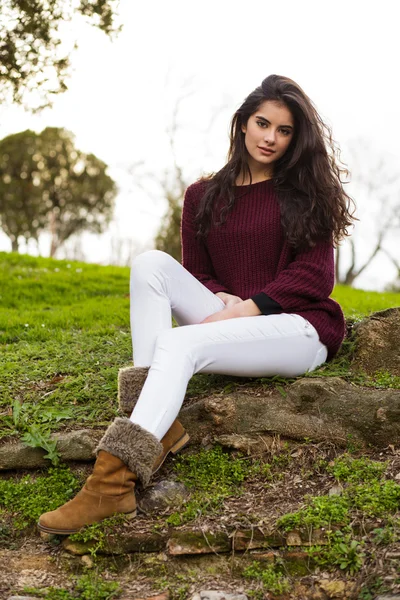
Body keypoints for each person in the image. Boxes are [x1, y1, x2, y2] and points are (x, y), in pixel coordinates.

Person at [38, 74, 355, 535]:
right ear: (242, 124)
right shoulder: (203, 195)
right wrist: (220, 294)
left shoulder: (303, 195)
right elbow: (196, 274)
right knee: (150, 263)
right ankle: (154, 422)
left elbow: (314, 276)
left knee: (179, 344)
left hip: (297, 329)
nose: (270, 138)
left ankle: (111, 484)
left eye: (284, 131)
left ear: (295, 138)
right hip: (228, 322)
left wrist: (247, 306)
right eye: (262, 123)